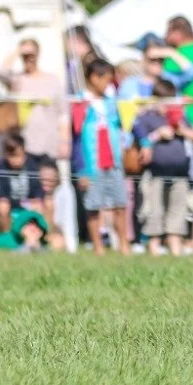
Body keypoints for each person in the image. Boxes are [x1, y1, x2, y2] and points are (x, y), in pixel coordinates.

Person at [131, 80, 193, 256]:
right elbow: (137, 137)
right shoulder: (146, 117)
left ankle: (175, 245)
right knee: (154, 210)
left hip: (181, 173)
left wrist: (182, 131)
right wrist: (157, 135)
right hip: (155, 174)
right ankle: (154, 245)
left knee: (179, 209)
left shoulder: (180, 117)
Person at [75, 58, 129, 255]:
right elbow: (76, 137)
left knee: (120, 203)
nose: (108, 83)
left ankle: (124, 245)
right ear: (94, 77)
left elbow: (123, 125)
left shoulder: (111, 102)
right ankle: (98, 246)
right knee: (93, 205)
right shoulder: (80, 101)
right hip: (92, 162)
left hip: (113, 159)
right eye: (106, 78)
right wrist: (81, 169)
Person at [0, 38, 70, 169]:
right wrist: (19, 51)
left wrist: (65, 141)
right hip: (26, 148)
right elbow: (2, 73)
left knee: (48, 186)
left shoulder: (52, 80)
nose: (29, 59)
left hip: (50, 146)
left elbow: (63, 114)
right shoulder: (17, 80)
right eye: (25, 56)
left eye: (32, 55)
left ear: (38, 54)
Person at [117, 33, 193, 100]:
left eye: (161, 59)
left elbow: (191, 72)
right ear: (143, 59)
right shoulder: (129, 84)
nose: (157, 62)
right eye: (152, 59)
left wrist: (170, 52)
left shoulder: (171, 80)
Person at [0, 132, 44, 233]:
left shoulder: (32, 166)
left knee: (44, 204)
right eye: (11, 156)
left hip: (29, 204)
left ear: (24, 152)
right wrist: (23, 204)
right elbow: (0, 195)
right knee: (2, 206)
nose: (15, 160)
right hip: (12, 206)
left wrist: (37, 200)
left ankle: (43, 239)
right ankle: (6, 238)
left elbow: (38, 189)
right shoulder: (0, 168)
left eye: (18, 156)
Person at [38, 159, 77, 253]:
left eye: (50, 179)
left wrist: (71, 248)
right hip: (33, 231)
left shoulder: (65, 191)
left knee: (57, 244)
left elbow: (68, 221)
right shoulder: (35, 190)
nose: (46, 182)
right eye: (43, 178)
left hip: (54, 232)